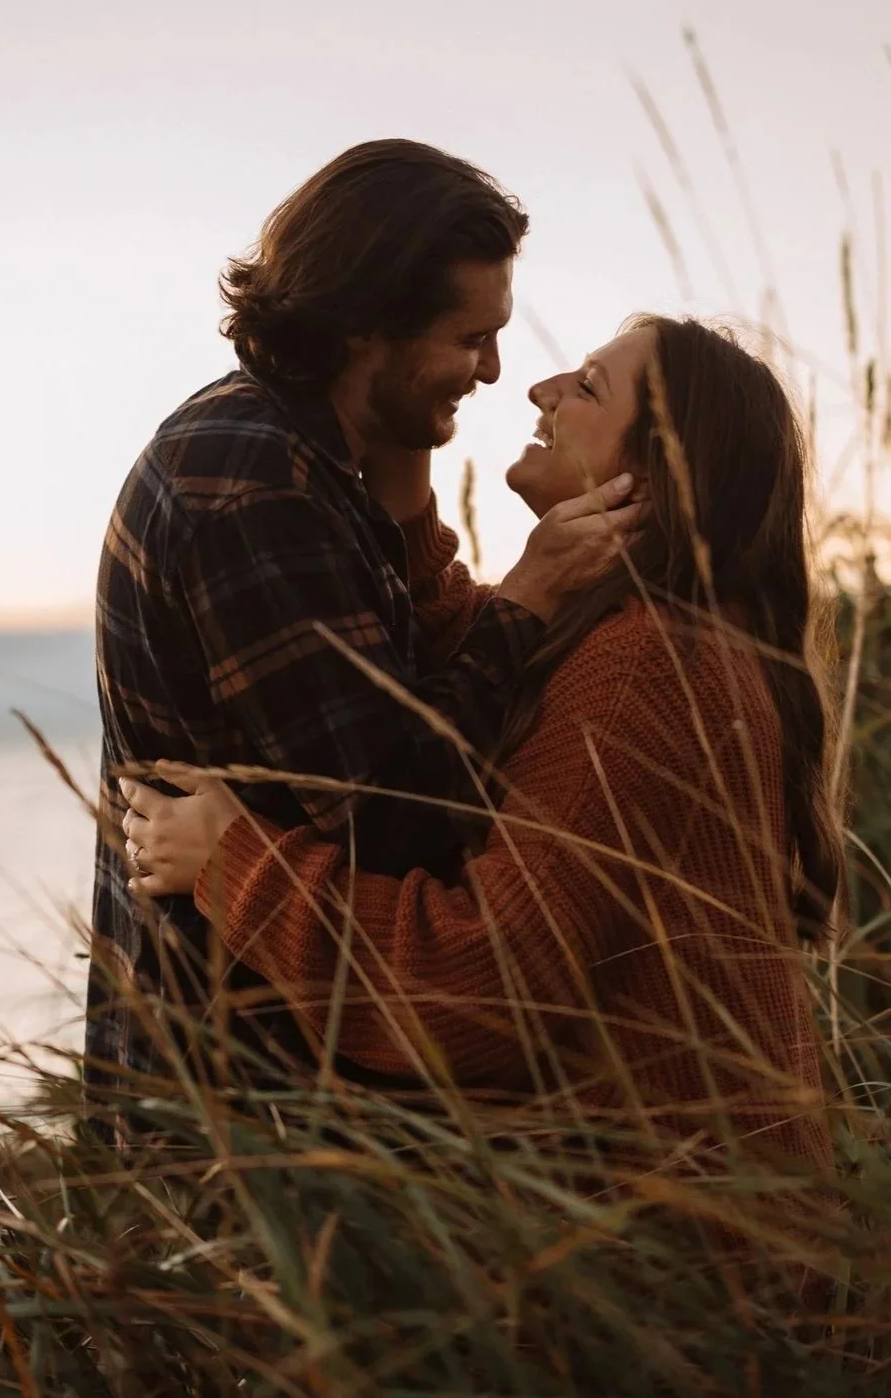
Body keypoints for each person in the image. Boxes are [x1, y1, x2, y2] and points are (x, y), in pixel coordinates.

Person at [120, 315, 843, 1167]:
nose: (540, 389)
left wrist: (233, 858)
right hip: (680, 1217)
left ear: (647, 476)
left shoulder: (648, 668)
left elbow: (477, 991)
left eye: (586, 386)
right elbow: (472, 645)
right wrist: (407, 440)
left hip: (668, 1249)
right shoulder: (649, 637)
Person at [87, 140, 641, 1103]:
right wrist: (529, 598)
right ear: (361, 328)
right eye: (470, 339)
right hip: (246, 1105)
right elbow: (393, 822)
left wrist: (413, 503)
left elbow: (406, 698)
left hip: (281, 1084)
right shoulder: (250, 484)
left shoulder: (316, 463)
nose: (497, 370)